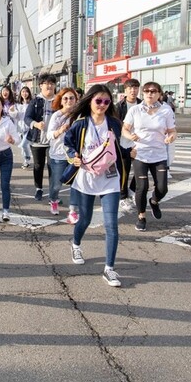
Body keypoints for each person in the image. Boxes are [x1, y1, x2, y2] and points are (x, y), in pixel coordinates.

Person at [63, 84, 126, 287]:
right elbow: (68, 143)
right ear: (90, 101)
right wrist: (73, 157)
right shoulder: (81, 124)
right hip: (86, 179)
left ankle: (109, 269)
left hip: (109, 179)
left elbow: (120, 147)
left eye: (106, 101)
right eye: (98, 101)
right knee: (85, 220)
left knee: (111, 225)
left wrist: (130, 152)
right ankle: (75, 243)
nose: (102, 105)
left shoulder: (114, 123)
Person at [122, 81, 177, 231]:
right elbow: (124, 129)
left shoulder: (166, 110)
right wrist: (130, 136)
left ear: (159, 94)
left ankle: (154, 201)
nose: (149, 94)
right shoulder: (135, 110)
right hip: (141, 154)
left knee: (162, 188)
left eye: (153, 91)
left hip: (159, 155)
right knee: (142, 187)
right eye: (146, 91)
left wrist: (171, 137)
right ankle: (141, 216)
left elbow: (172, 131)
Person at [46, 87, 78, 219]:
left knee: (76, 183)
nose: (69, 101)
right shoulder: (57, 116)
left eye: (71, 98)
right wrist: (59, 131)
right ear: (61, 100)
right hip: (58, 154)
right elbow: (48, 135)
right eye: (65, 98)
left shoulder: (79, 115)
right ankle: (53, 200)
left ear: (76, 100)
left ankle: (73, 210)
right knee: (57, 184)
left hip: (75, 154)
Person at [24, 74, 57, 200]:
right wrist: (36, 124)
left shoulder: (58, 100)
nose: (49, 86)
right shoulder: (35, 101)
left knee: (52, 166)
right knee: (38, 165)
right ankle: (39, 188)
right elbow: (27, 118)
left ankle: (53, 192)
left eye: (52, 83)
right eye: (46, 83)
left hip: (53, 140)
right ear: (41, 86)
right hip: (37, 140)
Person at [116, 78, 141, 213]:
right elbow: (115, 126)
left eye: (136, 88)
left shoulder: (143, 105)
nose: (133, 91)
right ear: (125, 90)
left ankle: (131, 191)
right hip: (124, 144)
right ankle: (123, 197)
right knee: (123, 172)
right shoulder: (119, 106)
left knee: (140, 171)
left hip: (139, 145)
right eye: (130, 88)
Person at [16, 86, 33, 169]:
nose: (24, 93)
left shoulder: (31, 104)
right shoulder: (17, 105)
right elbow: (15, 116)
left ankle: (27, 159)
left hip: (29, 128)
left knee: (23, 144)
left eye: (26, 91)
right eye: (23, 92)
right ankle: (26, 161)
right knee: (24, 147)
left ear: (29, 93)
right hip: (20, 128)